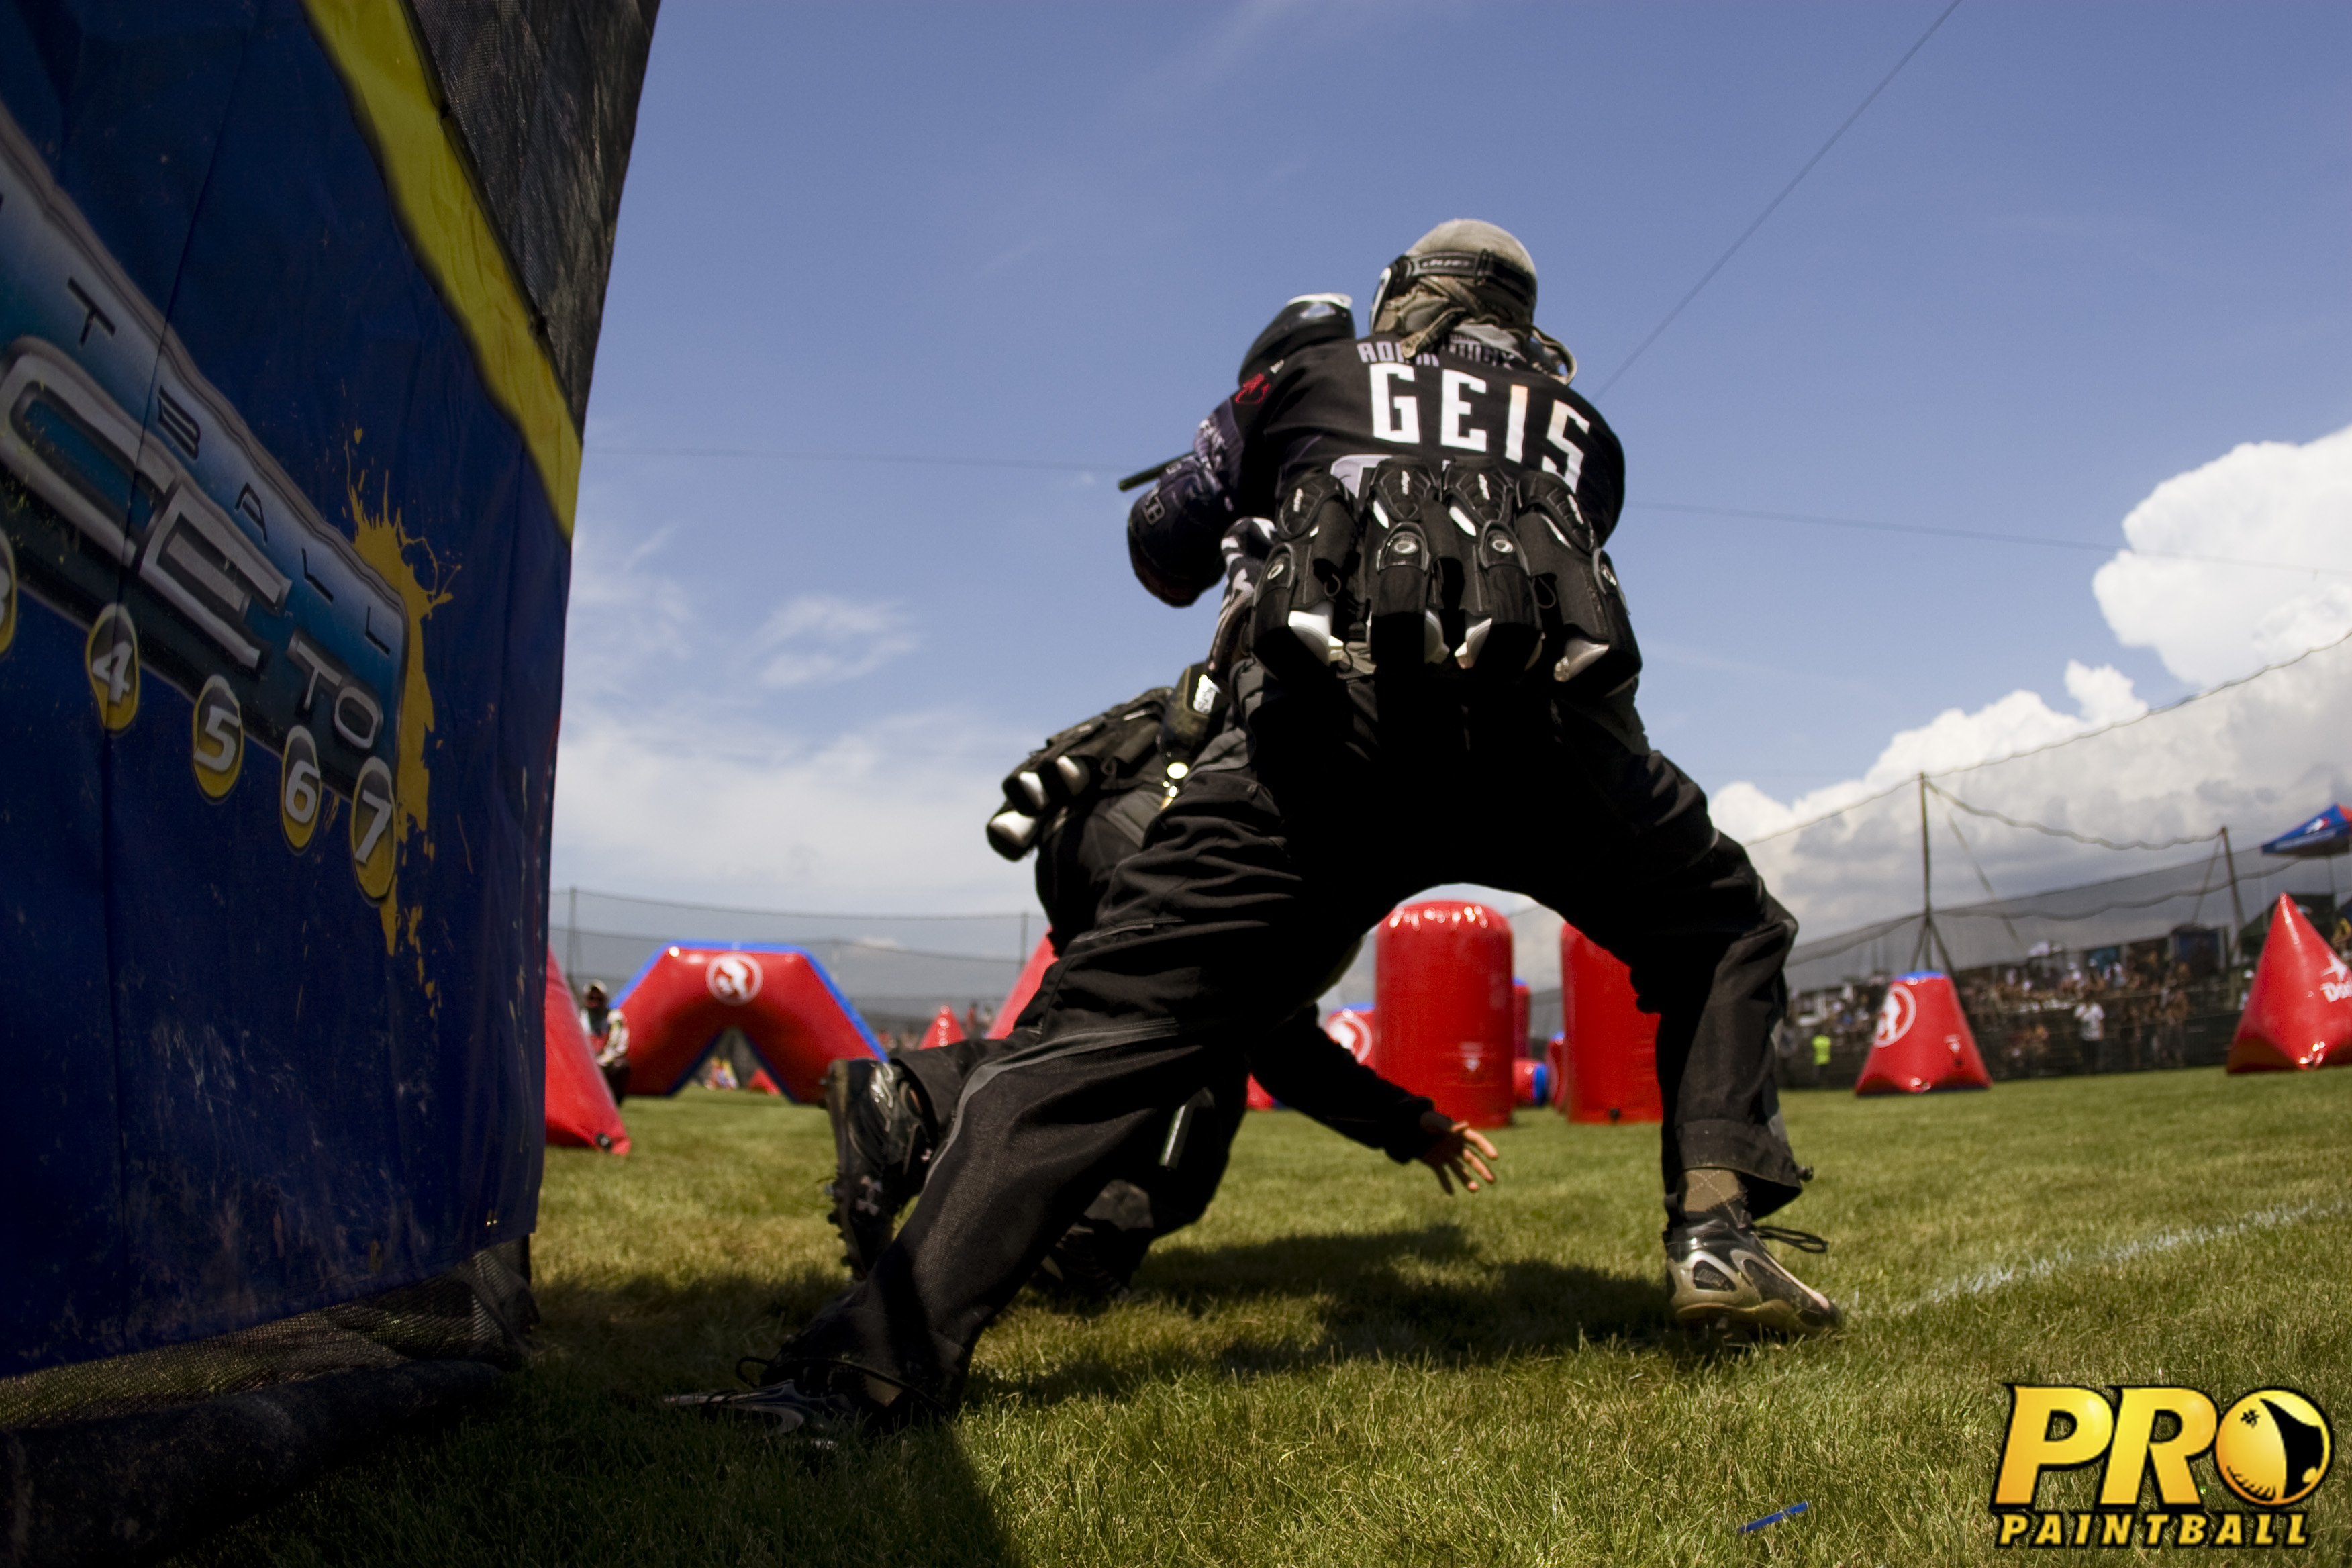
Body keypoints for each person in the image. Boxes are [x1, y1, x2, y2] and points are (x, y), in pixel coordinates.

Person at [740, 221, 1838, 1436]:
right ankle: (1717, 1229)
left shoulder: (1307, 379)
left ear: (1402, 296)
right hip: (1548, 742)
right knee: (1726, 927)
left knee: (1111, 1025)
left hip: (1327, 731)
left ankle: (874, 1365)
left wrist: (1248, 421)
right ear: (1522, 320)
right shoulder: (1585, 434)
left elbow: (1158, 549)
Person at [823, 673, 1500, 1301]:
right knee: (1201, 1054)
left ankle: (965, 1162)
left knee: (1088, 1032)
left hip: (1083, 836)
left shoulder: (1277, 672)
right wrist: (1405, 1124)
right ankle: (1026, 1188)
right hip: (1154, 832)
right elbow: (1283, 1043)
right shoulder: (1356, 749)